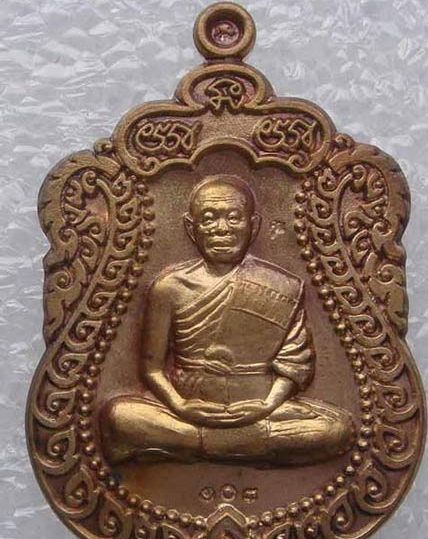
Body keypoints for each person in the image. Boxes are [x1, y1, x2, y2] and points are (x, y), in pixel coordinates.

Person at [100, 174, 355, 466]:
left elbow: (295, 366)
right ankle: (246, 444)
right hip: (189, 408)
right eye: (209, 219)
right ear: (191, 228)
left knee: (337, 428)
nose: (222, 229)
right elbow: (152, 368)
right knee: (118, 416)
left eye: (234, 218)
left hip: (261, 407)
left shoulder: (283, 286)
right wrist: (181, 406)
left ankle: (198, 443)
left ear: (253, 226)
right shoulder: (169, 287)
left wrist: (266, 405)